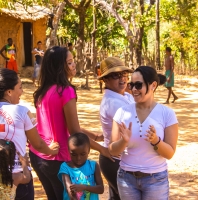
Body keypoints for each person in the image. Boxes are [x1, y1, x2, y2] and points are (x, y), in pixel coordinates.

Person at [29, 46, 112, 200]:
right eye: (69, 62)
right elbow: (74, 131)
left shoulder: (43, 90)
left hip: (38, 155)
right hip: (57, 158)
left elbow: (66, 125)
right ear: (60, 67)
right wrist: (103, 150)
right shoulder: (66, 91)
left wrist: (95, 136)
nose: (73, 65)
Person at [109, 66, 178, 200]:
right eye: (132, 85)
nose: (133, 89)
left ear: (153, 85)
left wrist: (156, 141)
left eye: (138, 85)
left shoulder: (167, 114)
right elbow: (112, 150)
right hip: (126, 179)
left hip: (156, 180)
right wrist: (123, 141)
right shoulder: (122, 112)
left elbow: (169, 153)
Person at [0, 68, 60, 200]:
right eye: (20, 87)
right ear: (9, 92)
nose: (22, 91)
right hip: (19, 176)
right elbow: (37, 143)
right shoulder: (21, 111)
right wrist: (51, 151)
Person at [98, 57, 134, 200]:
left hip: (118, 158)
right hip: (116, 160)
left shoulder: (124, 95)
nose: (122, 79)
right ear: (105, 80)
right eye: (115, 76)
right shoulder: (114, 102)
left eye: (124, 74)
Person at [58, 133, 104, 200]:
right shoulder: (65, 167)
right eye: (74, 154)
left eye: (83, 154)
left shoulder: (93, 166)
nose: (78, 158)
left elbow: (101, 189)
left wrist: (85, 187)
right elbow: (70, 192)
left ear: (88, 151)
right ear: (68, 151)